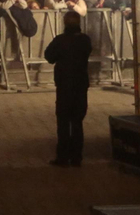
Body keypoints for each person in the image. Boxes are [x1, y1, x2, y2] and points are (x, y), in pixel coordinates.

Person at [44, 10, 93, 166]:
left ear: (64, 23)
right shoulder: (85, 40)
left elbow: (49, 56)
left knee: (63, 122)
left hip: (64, 84)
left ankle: (63, 157)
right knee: (77, 122)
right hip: (80, 83)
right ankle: (77, 157)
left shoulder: (60, 40)